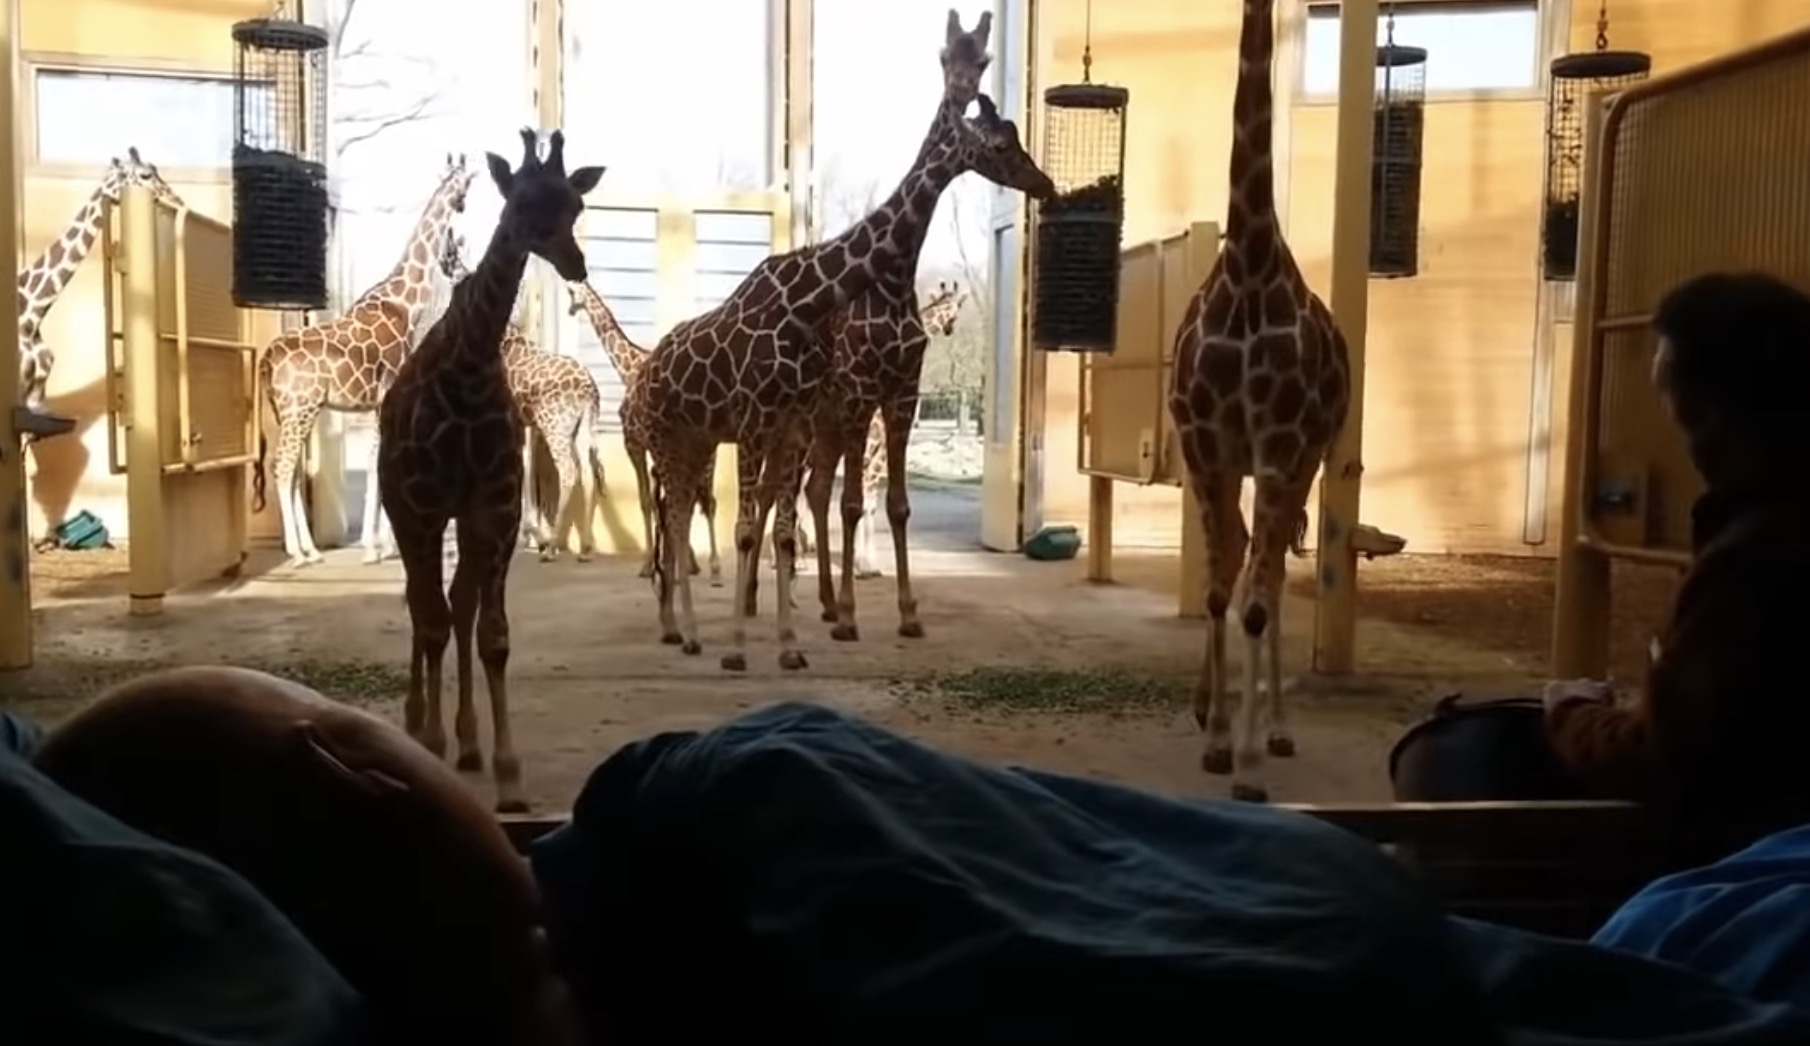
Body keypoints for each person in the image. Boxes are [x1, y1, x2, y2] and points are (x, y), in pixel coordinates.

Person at [1543, 271, 1810, 843]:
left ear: (1706, 412)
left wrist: (1570, 713)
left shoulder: (1753, 562)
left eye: (1668, 398)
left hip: (1753, 863)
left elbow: (1661, 758)